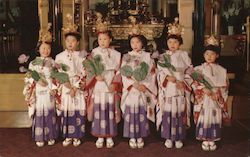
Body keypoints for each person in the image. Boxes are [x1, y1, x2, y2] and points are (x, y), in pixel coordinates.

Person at [156, 17, 192, 149]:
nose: (172, 44)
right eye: (170, 42)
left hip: (180, 87)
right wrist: (166, 77)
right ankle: (168, 137)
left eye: (175, 42)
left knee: (179, 112)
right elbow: (159, 72)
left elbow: (190, 71)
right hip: (169, 88)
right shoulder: (163, 57)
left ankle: (179, 137)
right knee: (168, 112)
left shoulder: (184, 55)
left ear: (179, 43)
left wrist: (184, 82)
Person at [191, 35, 229, 151]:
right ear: (203, 55)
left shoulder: (222, 70)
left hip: (215, 98)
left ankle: (212, 139)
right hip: (204, 98)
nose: (209, 56)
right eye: (207, 54)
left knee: (214, 117)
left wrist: (217, 92)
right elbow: (193, 83)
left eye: (212, 54)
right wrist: (203, 89)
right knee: (204, 116)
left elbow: (225, 85)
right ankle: (204, 138)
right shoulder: (198, 69)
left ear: (217, 55)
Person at [23, 23, 58, 147]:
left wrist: (54, 88)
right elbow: (29, 78)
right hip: (38, 90)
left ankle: (50, 136)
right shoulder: (33, 63)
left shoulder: (53, 62)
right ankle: (40, 136)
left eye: (48, 48)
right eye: (43, 48)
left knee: (49, 112)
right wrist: (36, 80)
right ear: (38, 49)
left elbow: (56, 78)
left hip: (49, 89)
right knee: (39, 113)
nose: (46, 51)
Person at [55, 14, 87, 147]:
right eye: (68, 40)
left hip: (77, 86)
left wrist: (76, 87)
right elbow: (57, 74)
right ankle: (68, 135)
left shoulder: (82, 56)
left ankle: (77, 135)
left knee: (77, 109)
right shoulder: (59, 56)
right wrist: (68, 85)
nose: (70, 43)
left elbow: (84, 73)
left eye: (73, 41)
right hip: (66, 86)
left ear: (77, 42)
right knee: (67, 110)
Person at [120, 34, 157, 149]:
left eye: (138, 42)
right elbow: (123, 73)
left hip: (142, 88)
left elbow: (152, 73)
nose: (135, 45)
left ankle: (140, 135)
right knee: (131, 111)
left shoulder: (148, 57)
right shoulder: (127, 57)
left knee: (141, 110)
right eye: (132, 42)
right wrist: (133, 84)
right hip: (131, 88)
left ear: (143, 43)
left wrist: (144, 85)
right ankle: (131, 136)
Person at [87, 31, 122, 148]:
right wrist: (95, 75)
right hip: (99, 83)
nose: (102, 41)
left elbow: (119, 71)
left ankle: (110, 135)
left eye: (105, 39)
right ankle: (100, 136)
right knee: (99, 109)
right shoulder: (93, 52)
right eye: (100, 39)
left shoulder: (117, 54)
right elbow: (89, 69)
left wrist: (115, 83)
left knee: (110, 110)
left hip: (111, 82)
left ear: (110, 39)